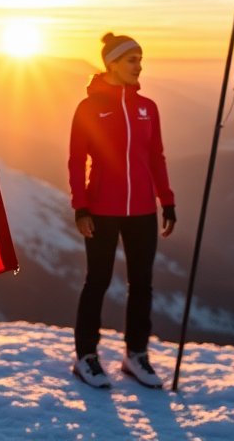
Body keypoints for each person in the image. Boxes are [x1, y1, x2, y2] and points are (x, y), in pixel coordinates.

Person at [67, 32, 177, 389]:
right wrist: (81, 207)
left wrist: (167, 200)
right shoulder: (89, 108)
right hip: (102, 209)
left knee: (142, 284)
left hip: (142, 210)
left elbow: (156, 157)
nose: (139, 66)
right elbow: (75, 160)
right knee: (97, 282)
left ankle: (136, 354)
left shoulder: (149, 107)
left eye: (140, 59)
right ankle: (86, 356)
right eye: (132, 60)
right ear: (112, 63)